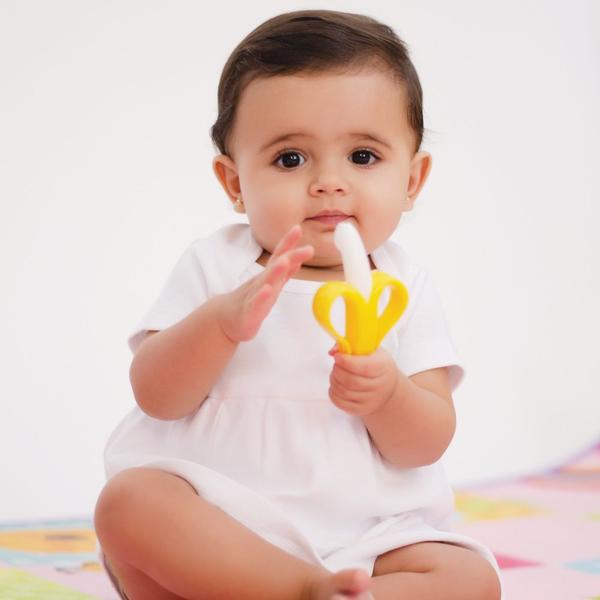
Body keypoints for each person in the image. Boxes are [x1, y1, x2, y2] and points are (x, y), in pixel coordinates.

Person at [94, 9, 501, 600]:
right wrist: (220, 325)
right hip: (221, 532)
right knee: (129, 505)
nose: (328, 182)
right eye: (291, 159)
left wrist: (387, 396)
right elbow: (156, 398)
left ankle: (343, 593)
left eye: (363, 156)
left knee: (470, 579)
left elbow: (426, 442)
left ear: (413, 179)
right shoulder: (216, 266)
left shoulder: (403, 286)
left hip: (370, 537)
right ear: (234, 183)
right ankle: (301, 591)